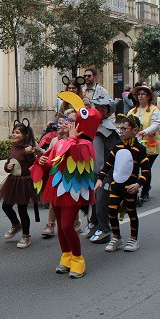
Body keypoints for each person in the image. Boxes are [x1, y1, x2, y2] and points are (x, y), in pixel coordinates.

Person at [32, 92, 101, 278]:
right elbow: (53, 161)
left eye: (71, 121)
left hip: (72, 190)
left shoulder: (85, 143)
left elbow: (75, 152)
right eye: (67, 120)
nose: (66, 123)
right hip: (56, 188)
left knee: (66, 226)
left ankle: (78, 259)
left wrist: (71, 138)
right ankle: (66, 256)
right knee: (62, 227)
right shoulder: (61, 142)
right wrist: (42, 161)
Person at [96, 114, 150, 252]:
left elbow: (145, 172)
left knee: (131, 212)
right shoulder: (117, 147)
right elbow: (108, 165)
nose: (121, 131)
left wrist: (138, 184)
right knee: (112, 211)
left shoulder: (140, 149)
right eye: (120, 128)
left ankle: (133, 239)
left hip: (130, 188)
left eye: (124, 128)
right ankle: (116, 237)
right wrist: (100, 179)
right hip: (116, 186)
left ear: (135, 130)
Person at [86, 95, 121, 244]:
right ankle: (94, 224)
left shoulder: (109, 130)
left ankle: (105, 229)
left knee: (101, 200)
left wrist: (109, 173)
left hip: (105, 172)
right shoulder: (92, 126)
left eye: (103, 108)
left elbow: (115, 153)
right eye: (97, 108)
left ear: (108, 112)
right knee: (92, 200)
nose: (99, 111)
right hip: (93, 170)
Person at [0, 120, 40, 249]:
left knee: (22, 209)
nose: (13, 135)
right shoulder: (13, 149)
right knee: (6, 206)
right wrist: (7, 166)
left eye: (17, 133)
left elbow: (33, 164)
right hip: (12, 181)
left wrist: (30, 154)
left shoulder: (27, 149)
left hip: (24, 182)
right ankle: (16, 224)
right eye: (13, 132)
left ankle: (26, 236)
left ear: (25, 136)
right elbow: (7, 164)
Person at [128, 84, 160, 204]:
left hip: (151, 145)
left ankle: (145, 192)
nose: (140, 96)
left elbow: (157, 124)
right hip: (136, 145)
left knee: (146, 168)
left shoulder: (154, 110)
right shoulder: (133, 111)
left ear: (148, 96)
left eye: (143, 94)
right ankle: (138, 190)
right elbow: (126, 123)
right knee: (136, 168)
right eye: (138, 94)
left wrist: (145, 132)